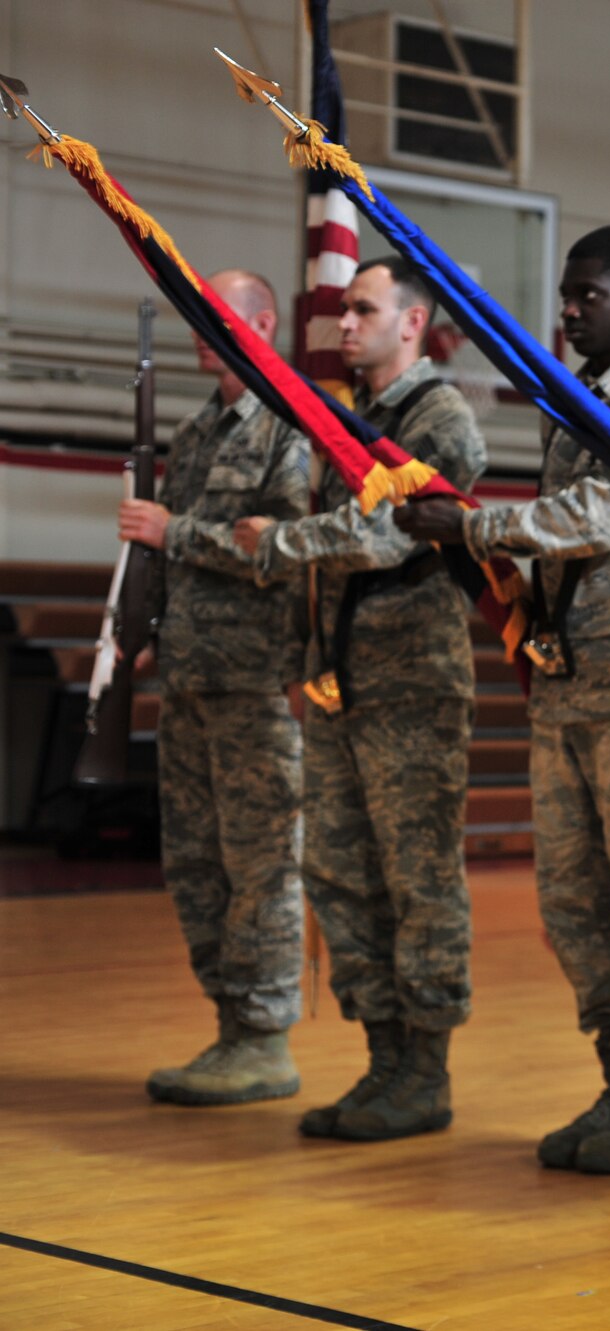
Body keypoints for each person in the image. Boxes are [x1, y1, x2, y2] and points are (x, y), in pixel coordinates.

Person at [396, 225, 610, 1175]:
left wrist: (475, 521)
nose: (569, 311)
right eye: (567, 296)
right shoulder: (569, 406)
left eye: (590, 295)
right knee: (573, 895)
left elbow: (605, 516)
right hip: (570, 676)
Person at [235, 257, 486, 1141]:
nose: (345, 324)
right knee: (340, 871)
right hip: (342, 680)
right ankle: (384, 1056)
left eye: (364, 309)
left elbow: (386, 535)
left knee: (417, 879)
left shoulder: (438, 417)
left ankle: (425, 1068)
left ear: (413, 323)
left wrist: (284, 539)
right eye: (344, 309)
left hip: (412, 683)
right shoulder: (352, 419)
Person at [119, 269, 310, 1106]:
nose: (205, 326)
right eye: (195, 311)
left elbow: (292, 546)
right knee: (194, 860)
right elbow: (167, 555)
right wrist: (152, 632)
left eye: (221, 311)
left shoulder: (292, 427)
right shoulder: (197, 432)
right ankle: (230, 1024)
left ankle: (265, 1035)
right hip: (191, 675)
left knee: (261, 862)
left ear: (264, 322)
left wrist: (178, 531)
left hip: (255, 680)